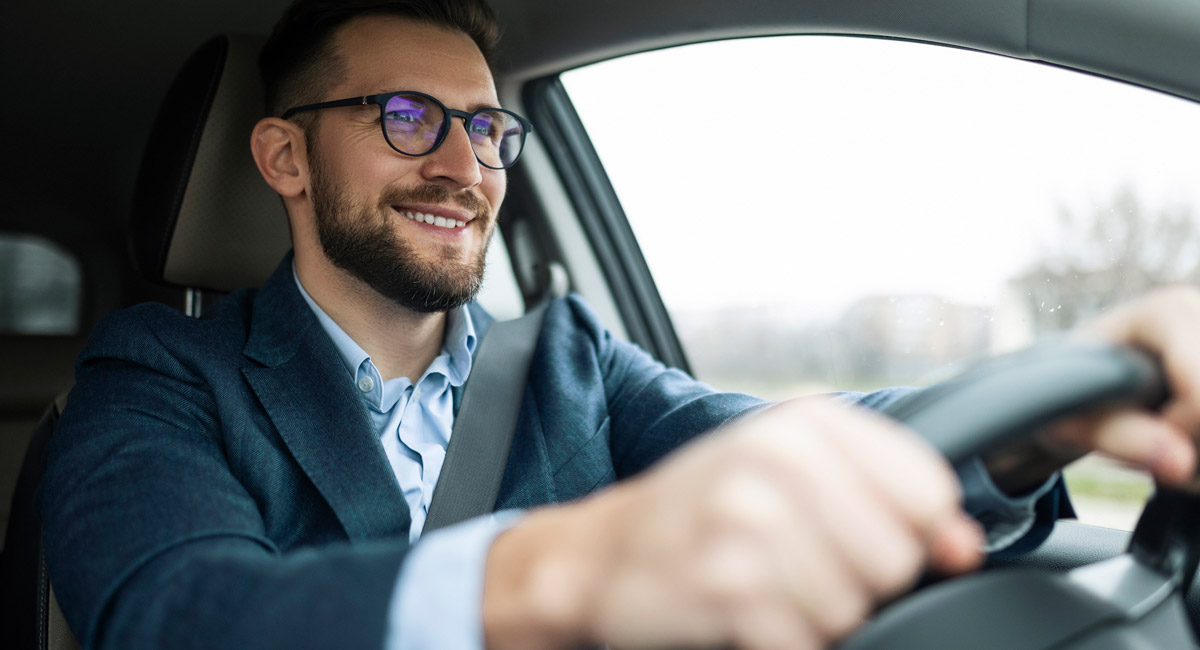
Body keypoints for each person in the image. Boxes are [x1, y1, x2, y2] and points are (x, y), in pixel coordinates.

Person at [38, 1, 1200, 649]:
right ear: (285, 155)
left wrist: (1043, 412)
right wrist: (558, 572)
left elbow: (783, 448)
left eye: (490, 131)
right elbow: (170, 614)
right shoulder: (161, 374)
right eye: (406, 118)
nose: (465, 165)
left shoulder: (571, 360)